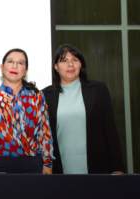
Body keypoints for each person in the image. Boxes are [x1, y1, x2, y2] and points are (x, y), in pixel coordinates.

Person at [42, 44, 124, 174]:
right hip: (60, 169)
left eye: (75, 60)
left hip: (98, 167)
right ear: (56, 67)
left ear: (81, 64)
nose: (70, 64)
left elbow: (110, 130)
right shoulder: (45, 95)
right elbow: (43, 136)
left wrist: (118, 166)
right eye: (64, 60)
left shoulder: (98, 89)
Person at [0, 48, 53, 174]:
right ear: (2, 67)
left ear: (26, 71)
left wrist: (47, 163)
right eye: (10, 61)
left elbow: (45, 131)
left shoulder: (37, 96)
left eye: (20, 63)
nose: (15, 66)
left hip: (32, 166)